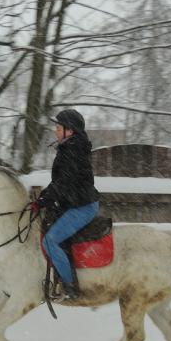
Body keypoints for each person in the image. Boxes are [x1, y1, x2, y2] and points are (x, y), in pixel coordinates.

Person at [32, 109, 100, 301]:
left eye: (59, 127)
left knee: (50, 241)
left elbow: (64, 184)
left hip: (82, 206)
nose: (55, 130)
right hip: (73, 203)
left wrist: (45, 200)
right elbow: (59, 183)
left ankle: (70, 286)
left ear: (69, 131)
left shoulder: (73, 150)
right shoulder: (69, 148)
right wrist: (42, 199)